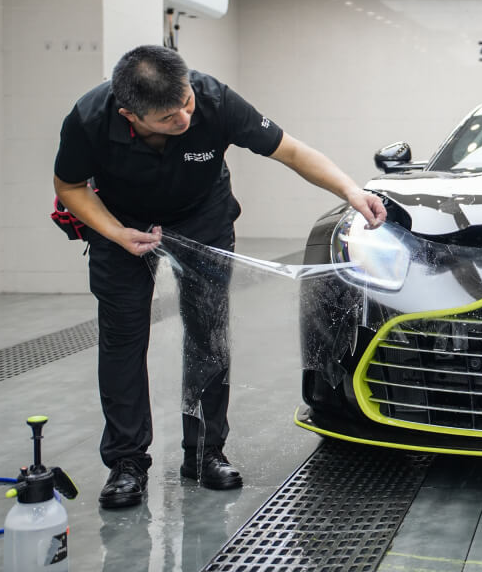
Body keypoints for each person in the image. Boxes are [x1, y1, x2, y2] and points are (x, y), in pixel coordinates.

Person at [53, 45, 387, 509]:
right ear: (130, 115)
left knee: (207, 333)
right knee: (123, 339)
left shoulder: (215, 100)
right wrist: (113, 232)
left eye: (186, 102)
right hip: (120, 224)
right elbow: (69, 186)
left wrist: (351, 190)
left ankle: (205, 452)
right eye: (168, 117)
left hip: (202, 217)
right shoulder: (89, 119)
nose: (184, 118)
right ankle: (127, 463)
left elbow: (291, 151)